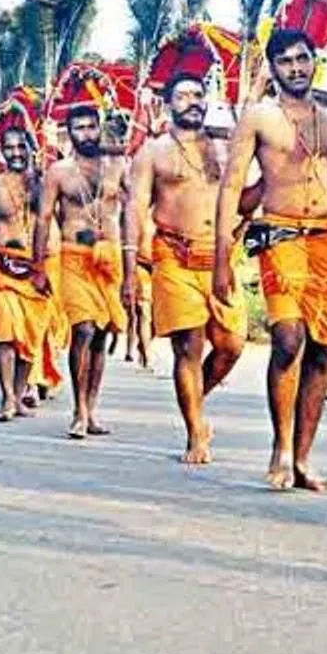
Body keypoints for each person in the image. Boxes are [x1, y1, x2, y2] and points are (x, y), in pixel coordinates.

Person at [214, 28, 327, 491]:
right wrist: (222, 256)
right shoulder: (259, 118)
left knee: (324, 349)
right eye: (285, 61)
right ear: (273, 67)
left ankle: (304, 458)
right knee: (288, 339)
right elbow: (231, 186)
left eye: (303, 59)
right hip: (281, 235)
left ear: (314, 62)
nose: (296, 68)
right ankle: (280, 449)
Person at [125, 72, 256, 464]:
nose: (192, 101)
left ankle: (195, 401)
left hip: (218, 258)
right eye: (181, 95)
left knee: (232, 345)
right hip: (173, 257)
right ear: (168, 104)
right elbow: (135, 208)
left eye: (197, 94)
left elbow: (244, 202)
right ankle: (195, 432)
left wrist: (269, 182)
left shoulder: (226, 147)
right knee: (189, 346)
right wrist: (131, 268)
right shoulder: (153, 152)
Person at [35, 100, 128, 440]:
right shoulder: (59, 172)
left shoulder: (117, 166)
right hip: (73, 258)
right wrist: (38, 266)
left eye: (92, 126)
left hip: (109, 260)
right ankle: (78, 409)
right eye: (80, 127)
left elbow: (134, 209)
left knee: (102, 335)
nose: (87, 133)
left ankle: (92, 408)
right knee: (84, 329)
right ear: (69, 133)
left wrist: (132, 265)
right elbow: (44, 219)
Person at [0, 96, 60, 422]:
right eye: (8, 148)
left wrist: (43, 170)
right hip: (3, 269)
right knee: (8, 332)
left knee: (31, 336)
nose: (15, 153)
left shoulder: (42, 183)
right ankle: (8, 397)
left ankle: (21, 388)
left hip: (36, 269)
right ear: (0, 151)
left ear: (29, 147)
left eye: (20, 147)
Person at [124, 215, 154, 370]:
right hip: (138, 271)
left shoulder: (158, 218)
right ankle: (139, 352)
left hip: (152, 273)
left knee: (143, 315)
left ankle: (143, 350)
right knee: (137, 314)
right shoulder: (135, 217)